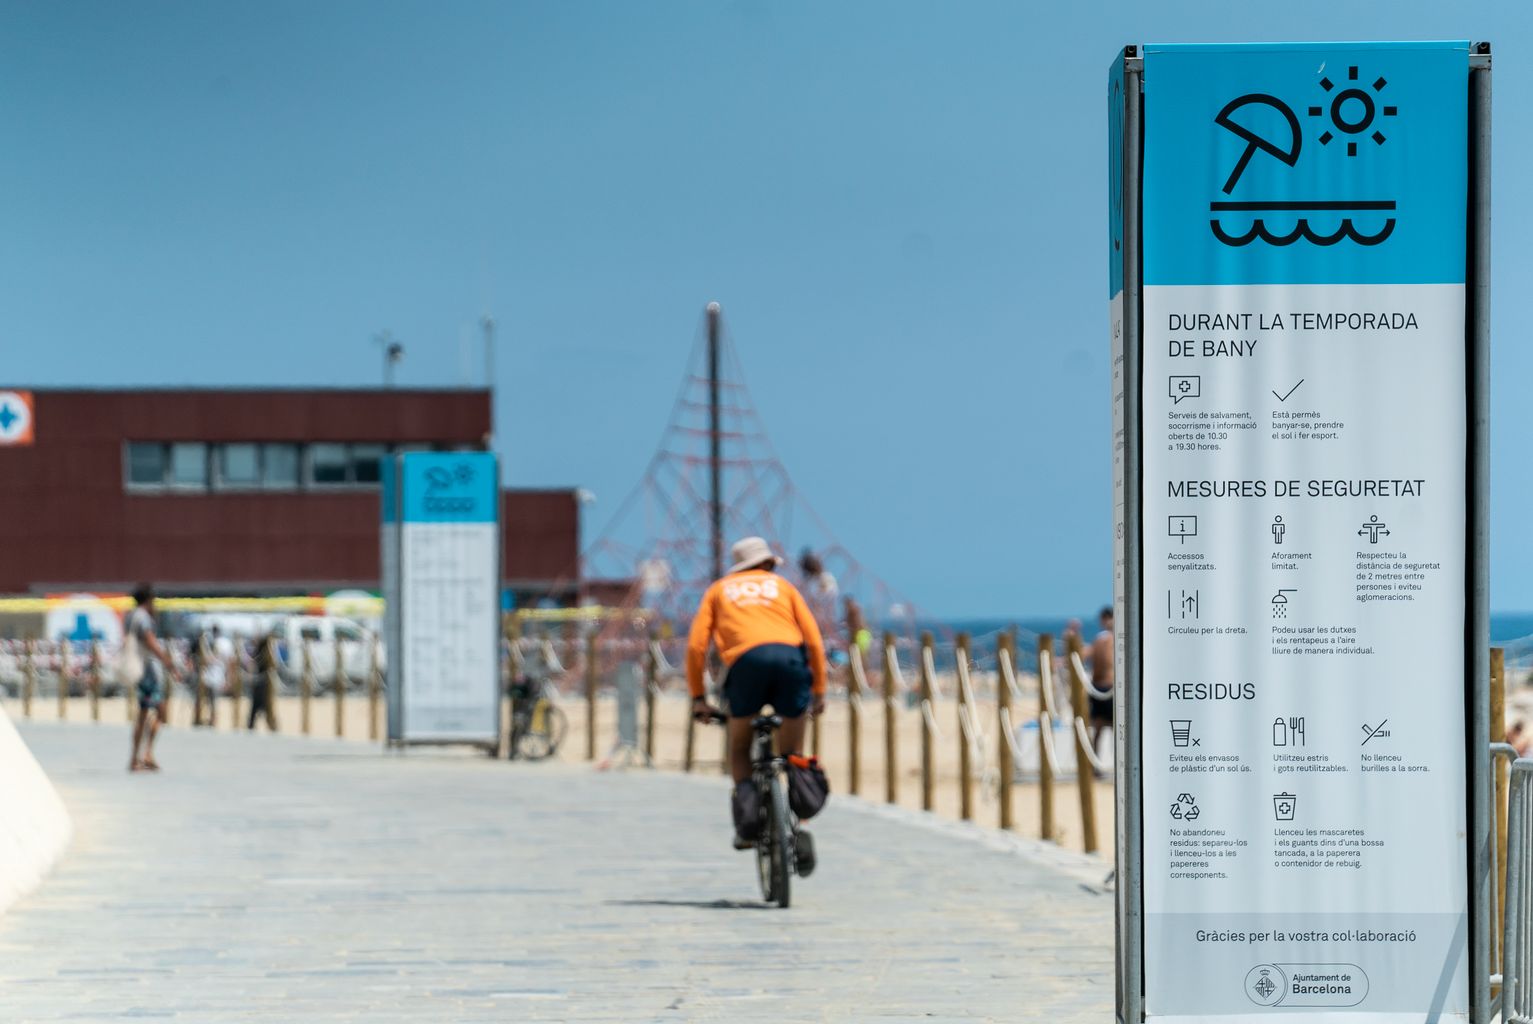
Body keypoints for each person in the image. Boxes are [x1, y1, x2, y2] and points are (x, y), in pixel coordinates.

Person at [689, 536, 827, 847]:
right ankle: (798, 824)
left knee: (740, 747)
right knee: (792, 754)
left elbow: (697, 647)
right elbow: (815, 642)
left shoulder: (719, 590)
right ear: (767, 564)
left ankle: (748, 823)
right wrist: (818, 691)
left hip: (744, 664)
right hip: (790, 660)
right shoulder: (783, 588)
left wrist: (699, 698)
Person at [123, 584, 181, 772]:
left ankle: (137, 756)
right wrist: (170, 664)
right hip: (148, 672)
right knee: (159, 713)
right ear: (149, 600)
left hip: (139, 670)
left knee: (143, 714)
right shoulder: (143, 618)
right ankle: (145, 753)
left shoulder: (130, 616)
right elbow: (151, 643)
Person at [1088, 606, 1115, 752]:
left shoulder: (1104, 638)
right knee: (1103, 728)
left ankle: (1097, 766)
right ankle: (1095, 766)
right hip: (1103, 687)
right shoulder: (1105, 638)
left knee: (1102, 728)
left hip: (1102, 687)